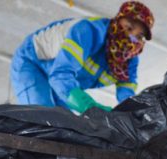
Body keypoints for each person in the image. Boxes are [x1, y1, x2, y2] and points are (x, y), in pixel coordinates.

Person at [10, 1, 154, 113]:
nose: (131, 38)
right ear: (118, 19)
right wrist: (90, 108)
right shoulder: (87, 31)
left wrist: (135, 116)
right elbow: (60, 75)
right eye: (129, 27)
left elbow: (127, 99)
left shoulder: (128, 61)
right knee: (44, 118)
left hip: (65, 84)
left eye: (139, 36)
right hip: (33, 63)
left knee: (64, 127)